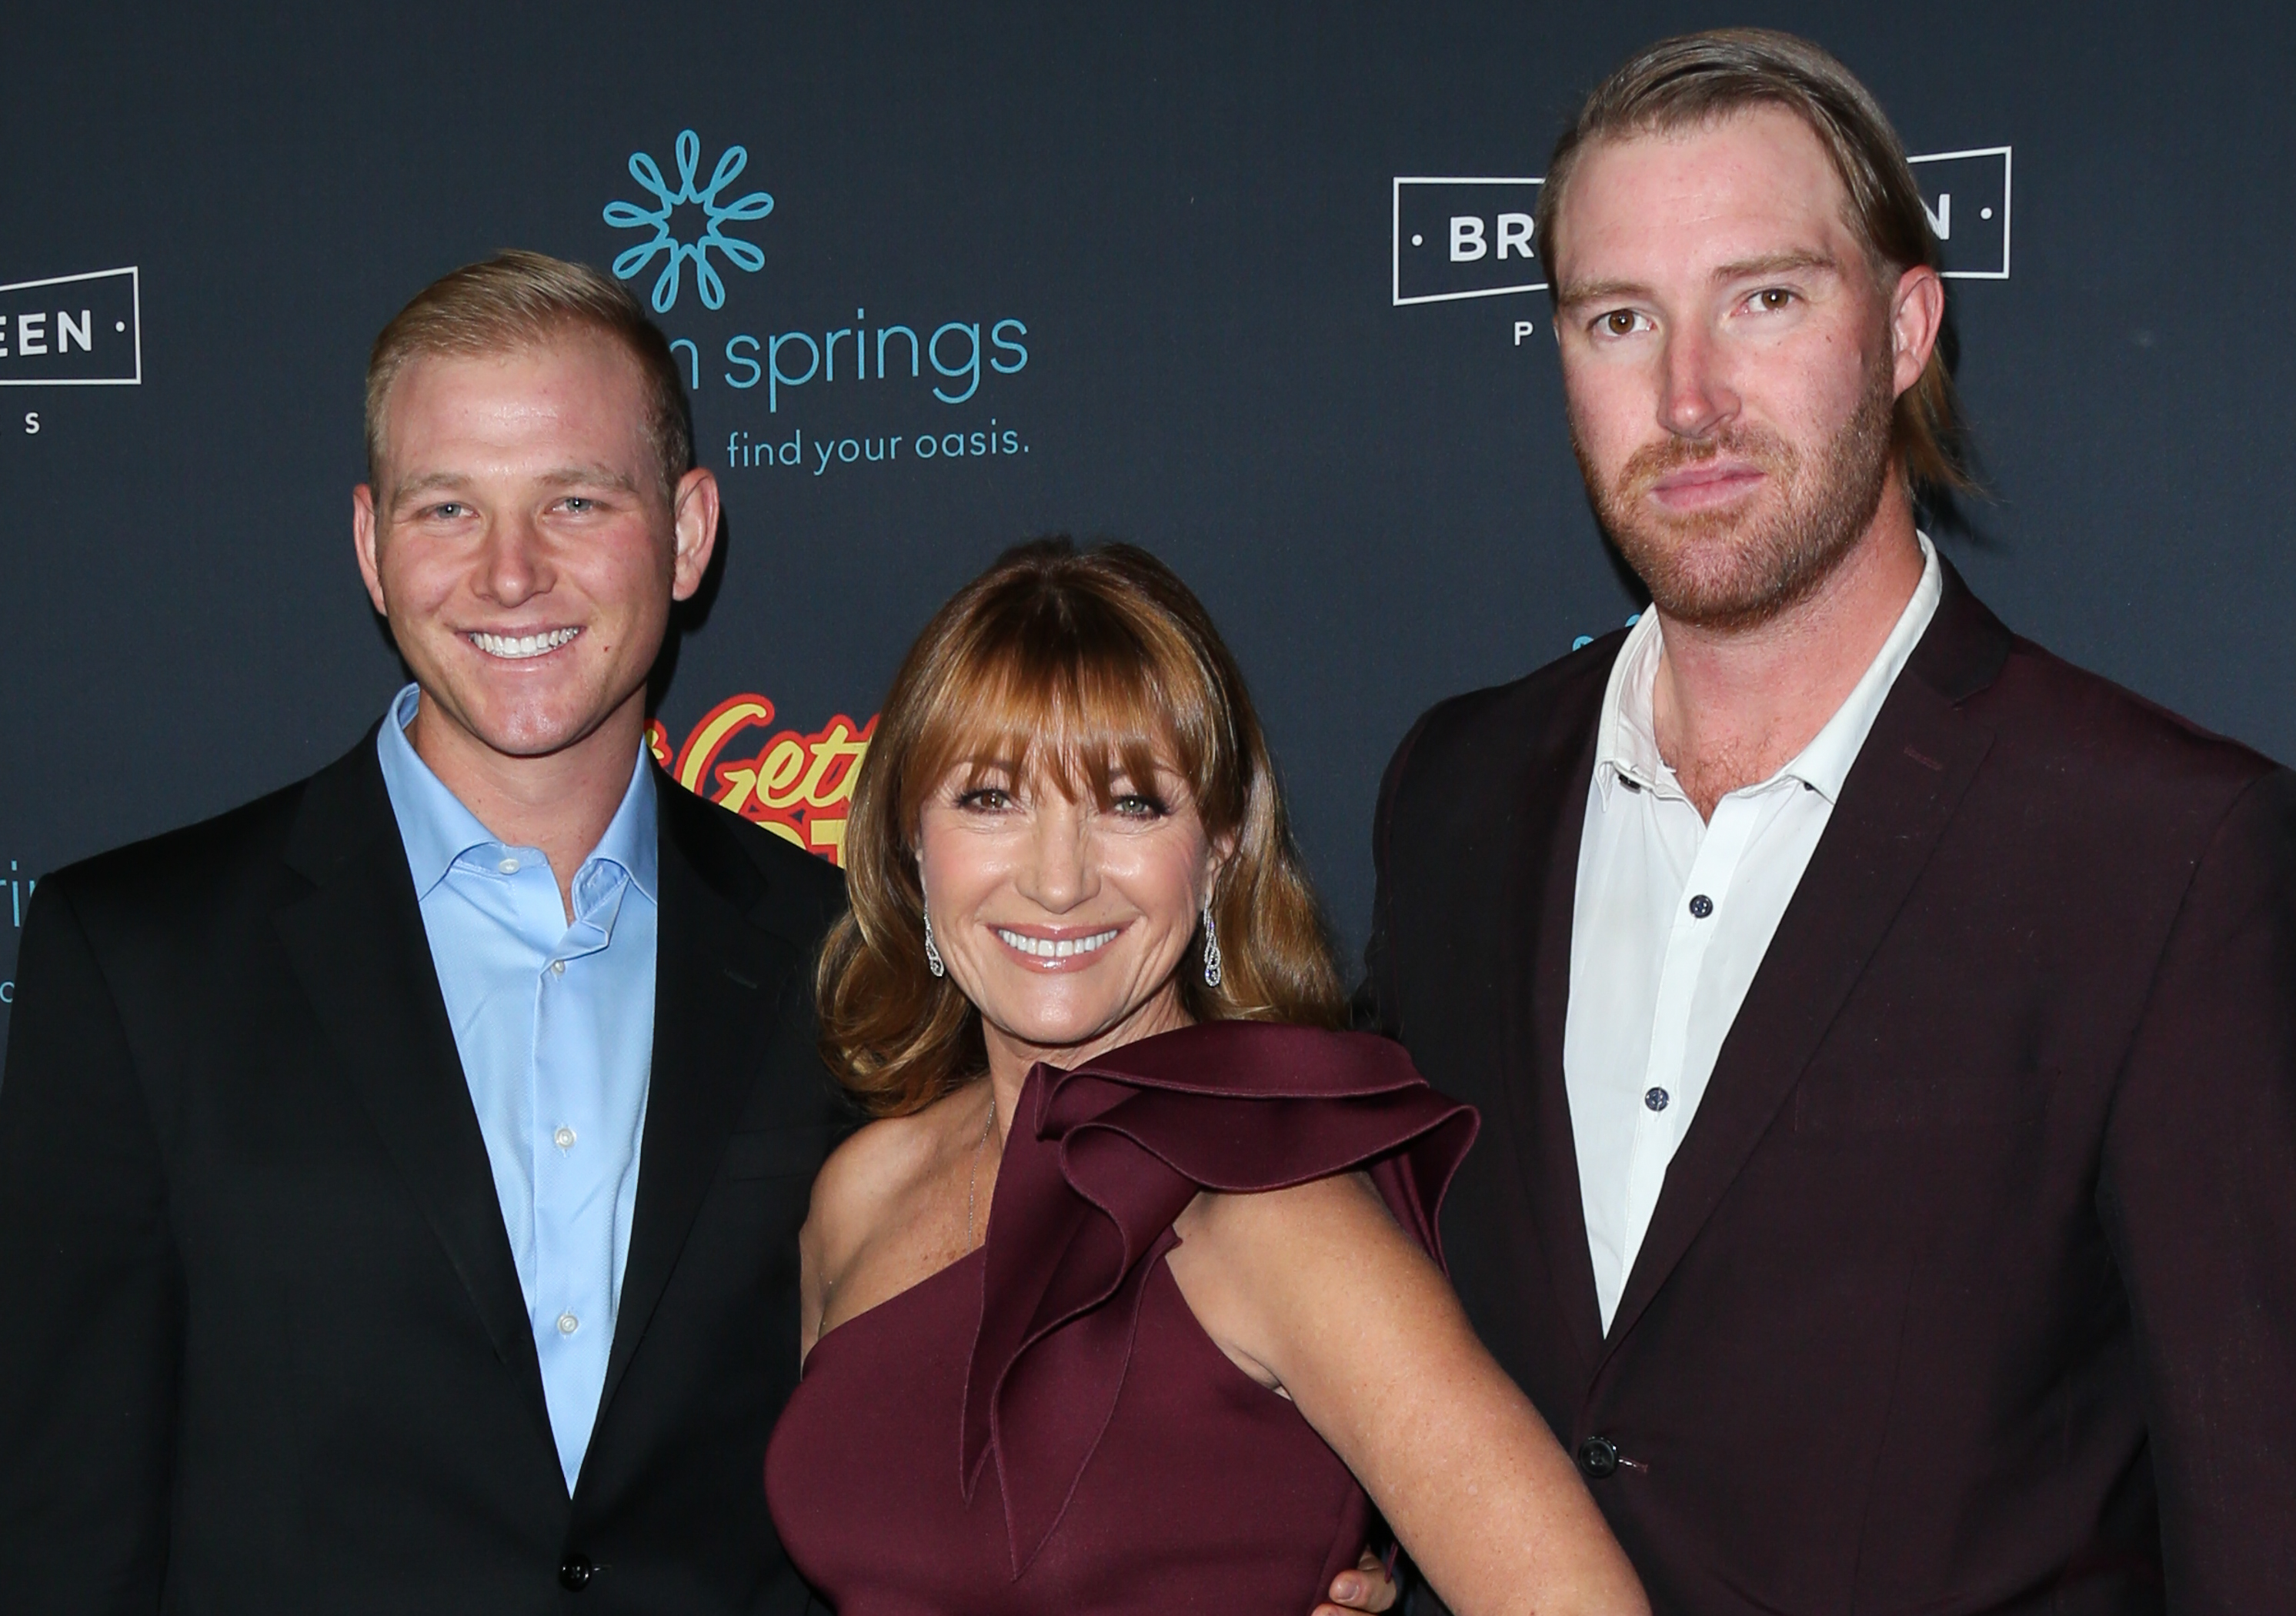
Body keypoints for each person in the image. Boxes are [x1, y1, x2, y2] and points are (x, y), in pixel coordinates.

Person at [1360, 28, 2296, 1614]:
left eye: (1766, 298)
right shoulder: (1453, 795)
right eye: (1618, 320)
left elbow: (2266, 1510)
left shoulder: (2169, 850)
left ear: (1906, 330)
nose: (1690, 395)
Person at [0, 252, 852, 1611]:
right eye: (448, 506)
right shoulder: (138, 960)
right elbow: (63, 1526)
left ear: (687, 534)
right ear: (370, 547)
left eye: (575, 500)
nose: (510, 575)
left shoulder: (846, 961)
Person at [764, 539, 1649, 1614]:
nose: (1056, 878)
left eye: (1131, 804)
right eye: (990, 799)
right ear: (912, 845)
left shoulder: (1278, 1219)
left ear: (1220, 848)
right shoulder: (861, 1193)